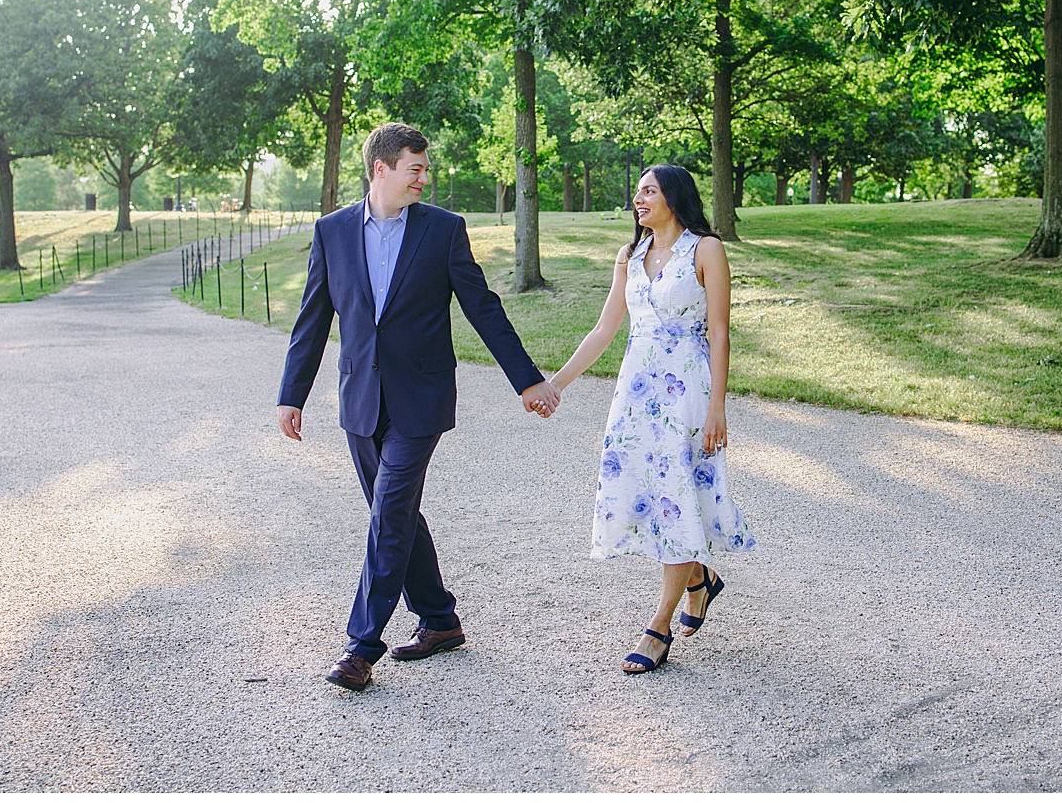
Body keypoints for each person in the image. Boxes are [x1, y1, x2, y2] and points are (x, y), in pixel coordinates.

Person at [276, 122, 563, 692]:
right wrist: (293, 393)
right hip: (360, 397)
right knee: (395, 514)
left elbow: (484, 308)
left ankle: (361, 646)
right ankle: (440, 620)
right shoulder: (331, 231)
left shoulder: (443, 230)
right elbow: (313, 318)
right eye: (415, 168)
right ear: (381, 169)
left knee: (388, 513)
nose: (424, 179)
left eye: (425, 169)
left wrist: (527, 381)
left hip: (421, 398)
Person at [550, 164, 754, 674]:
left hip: (688, 393)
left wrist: (717, 408)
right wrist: (557, 383)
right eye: (637, 192)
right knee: (647, 495)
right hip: (637, 393)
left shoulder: (705, 250)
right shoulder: (630, 255)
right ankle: (698, 579)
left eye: (649, 191)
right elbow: (603, 330)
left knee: (679, 495)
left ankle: (659, 625)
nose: (638, 199)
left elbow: (721, 333)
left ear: (674, 197)